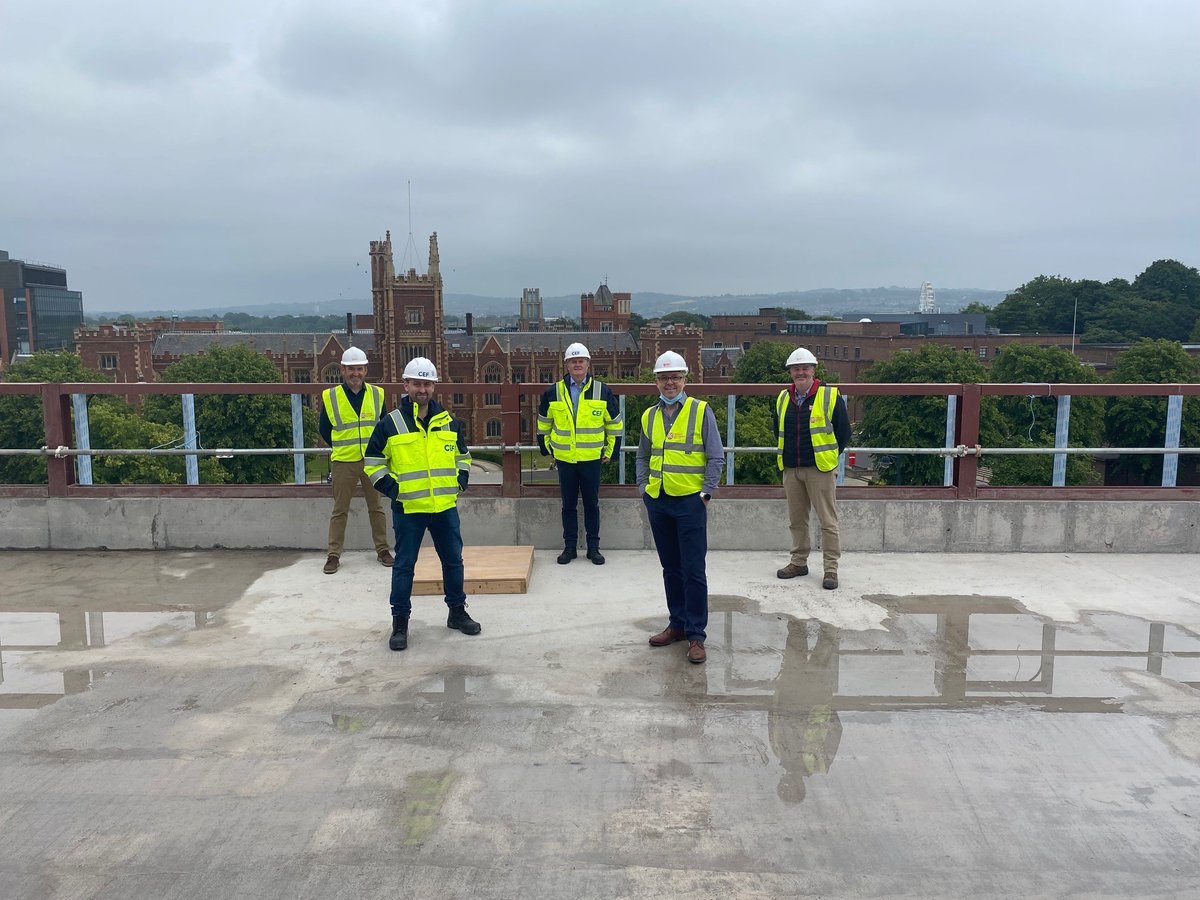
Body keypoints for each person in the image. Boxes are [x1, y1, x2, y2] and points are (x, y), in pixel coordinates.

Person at [364, 357, 480, 651]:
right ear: (406, 385)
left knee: (453, 562)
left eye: (427, 384)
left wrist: (460, 481)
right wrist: (395, 490)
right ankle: (400, 623)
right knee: (404, 566)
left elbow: (463, 457)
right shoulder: (391, 423)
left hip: (444, 507)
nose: (422, 389)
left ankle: (457, 612)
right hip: (409, 508)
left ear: (434, 386)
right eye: (417, 383)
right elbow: (373, 462)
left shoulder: (448, 421)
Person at [637, 351, 724, 665]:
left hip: (690, 502)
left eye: (675, 377)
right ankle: (677, 624)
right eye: (664, 377)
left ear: (685, 380)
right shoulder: (649, 416)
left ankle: (696, 634)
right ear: (657, 382)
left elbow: (716, 455)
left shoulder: (701, 411)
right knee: (671, 568)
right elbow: (642, 455)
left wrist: (706, 494)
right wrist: (643, 488)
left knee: (693, 570)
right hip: (659, 500)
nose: (669, 382)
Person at [537, 342, 623, 565]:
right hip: (565, 459)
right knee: (568, 505)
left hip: (591, 459)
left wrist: (611, 451)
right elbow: (543, 423)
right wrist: (547, 448)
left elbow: (614, 424)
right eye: (573, 361)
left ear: (587, 363)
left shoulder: (602, 391)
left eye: (581, 360)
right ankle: (570, 547)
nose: (577, 364)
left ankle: (593, 548)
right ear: (566, 364)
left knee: (591, 504)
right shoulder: (553, 392)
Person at [773, 347, 852, 590]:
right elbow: (778, 430)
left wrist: (829, 456)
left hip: (820, 469)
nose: (800, 372)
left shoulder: (829, 395)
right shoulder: (783, 397)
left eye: (805, 368)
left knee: (828, 521)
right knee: (797, 520)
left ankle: (831, 569)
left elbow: (844, 432)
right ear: (790, 372)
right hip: (791, 468)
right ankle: (798, 562)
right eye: (796, 369)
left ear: (813, 370)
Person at [319, 346, 393, 575]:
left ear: (365, 370)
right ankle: (333, 555)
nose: (355, 373)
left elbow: (383, 426)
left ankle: (383, 550)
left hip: (372, 461)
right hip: (344, 461)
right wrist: (343, 446)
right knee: (340, 509)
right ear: (343, 370)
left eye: (359, 369)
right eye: (351, 369)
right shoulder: (331, 396)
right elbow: (324, 429)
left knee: (376, 508)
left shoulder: (377, 394)